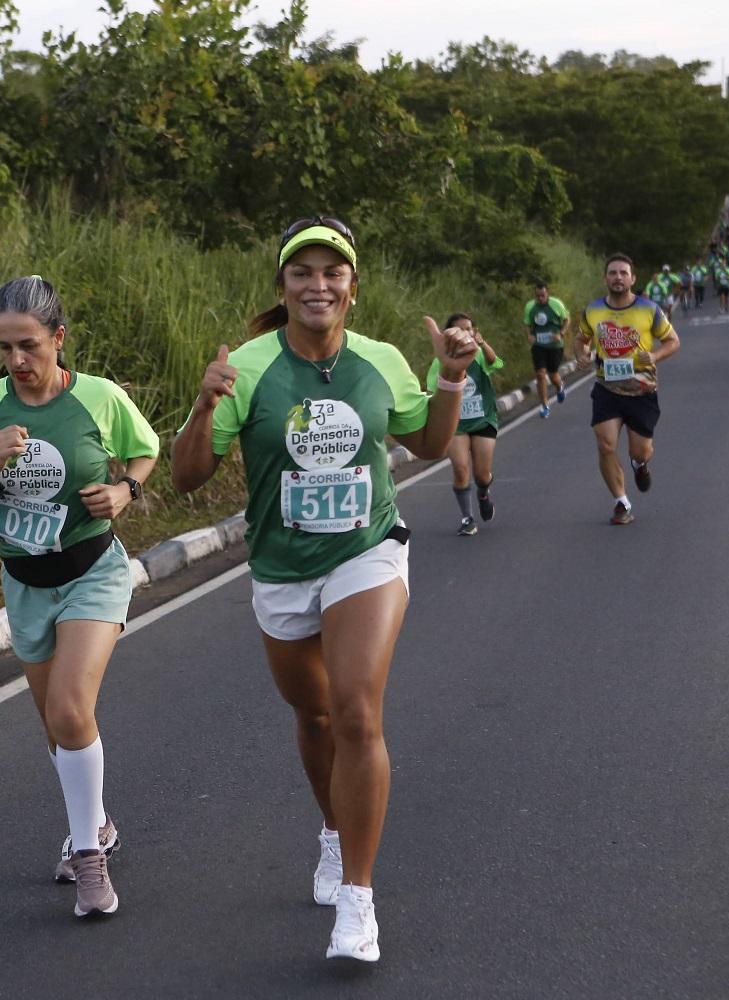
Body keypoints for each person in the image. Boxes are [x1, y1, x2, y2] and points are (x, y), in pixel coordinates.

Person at [171, 217, 477, 963]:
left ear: (352, 285)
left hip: (366, 553)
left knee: (356, 712)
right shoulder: (246, 366)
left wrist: (450, 378)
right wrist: (205, 405)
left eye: (331, 271)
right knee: (313, 717)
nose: (318, 284)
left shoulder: (379, 361)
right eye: (302, 272)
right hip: (281, 567)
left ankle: (358, 903)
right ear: (283, 286)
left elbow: (432, 447)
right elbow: (186, 478)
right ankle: (334, 834)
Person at [0, 275, 159, 918]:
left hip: (93, 570)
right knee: (57, 729)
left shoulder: (100, 399)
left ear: (59, 339)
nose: (17, 362)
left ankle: (88, 859)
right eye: (4, 349)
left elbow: (145, 452)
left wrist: (125, 492)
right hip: (26, 585)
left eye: (29, 345)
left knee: (67, 705)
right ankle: (101, 823)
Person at [576, 253, 682, 525]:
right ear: (605, 278)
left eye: (623, 273)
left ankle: (640, 465)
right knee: (606, 443)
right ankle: (621, 502)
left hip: (641, 390)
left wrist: (656, 357)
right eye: (613, 273)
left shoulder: (649, 309)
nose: (618, 277)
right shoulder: (593, 310)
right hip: (606, 388)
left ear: (633, 279)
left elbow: (672, 341)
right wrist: (581, 355)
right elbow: (582, 339)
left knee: (641, 450)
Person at [427, 313, 501, 535]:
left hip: (483, 419)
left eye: (469, 328)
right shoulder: (440, 363)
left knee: (481, 474)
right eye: (459, 330)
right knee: (460, 469)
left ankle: (483, 493)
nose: (465, 333)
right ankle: (467, 518)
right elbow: (433, 391)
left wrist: (482, 343)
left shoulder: (478, 355)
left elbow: (493, 362)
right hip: (456, 424)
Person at [524, 282, 569, 418]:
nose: (540, 298)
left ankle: (559, 386)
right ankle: (545, 406)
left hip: (555, 345)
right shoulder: (530, 306)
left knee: (553, 374)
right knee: (540, 374)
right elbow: (527, 323)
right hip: (538, 345)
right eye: (538, 296)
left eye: (543, 295)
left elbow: (567, 319)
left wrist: (561, 333)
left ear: (547, 293)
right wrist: (529, 335)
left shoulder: (556, 304)